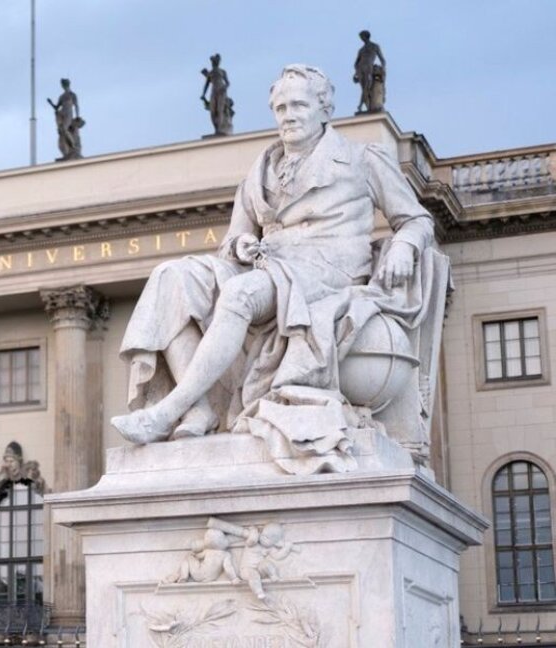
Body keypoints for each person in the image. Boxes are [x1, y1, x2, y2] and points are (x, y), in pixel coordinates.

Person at [112, 65, 436, 464]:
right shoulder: (259, 170)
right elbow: (232, 239)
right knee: (171, 279)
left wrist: (404, 244)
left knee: (240, 292)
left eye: (299, 104)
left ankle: (167, 410)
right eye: (280, 107)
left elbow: (418, 219)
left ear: (324, 109)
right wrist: (243, 244)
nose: (289, 115)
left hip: (327, 272)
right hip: (269, 266)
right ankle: (197, 408)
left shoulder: (361, 159)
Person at [48, 78, 82, 160]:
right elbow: (56, 107)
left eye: (64, 84)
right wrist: (50, 103)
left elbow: (76, 106)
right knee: (62, 131)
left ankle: (73, 147)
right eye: (63, 84)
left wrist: (77, 116)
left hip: (69, 114)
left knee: (64, 129)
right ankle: (68, 150)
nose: (63, 85)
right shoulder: (62, 96)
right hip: (63, 114)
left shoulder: (72, 94)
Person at [200, 54, 234, 136]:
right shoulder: (210, 73)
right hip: (213, 92)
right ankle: (216, 129)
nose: (214, 63)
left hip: (221, 91)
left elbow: (228, 83)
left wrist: (224, 88)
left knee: (220, 110)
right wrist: (203, 94)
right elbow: (206, 85)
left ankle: (219, 130)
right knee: (212, 111)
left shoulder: (222, 71)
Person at [353, 30, 386, 113]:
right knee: (364, 88)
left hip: (369, 68)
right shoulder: (361, 50)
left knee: (367, 87)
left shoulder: (375, 46)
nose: (361, 38)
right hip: (361, 69)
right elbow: (356, 63)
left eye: (362, 36)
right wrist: (356, 73)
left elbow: (382, 59)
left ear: (366, 36)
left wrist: (383, 68)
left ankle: (361, 105)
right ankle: (367, 107)